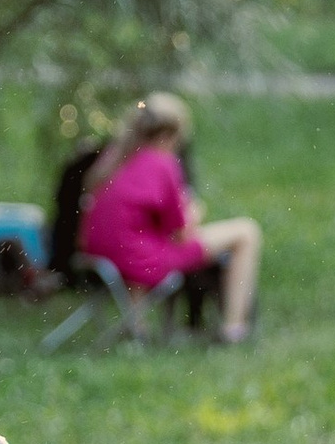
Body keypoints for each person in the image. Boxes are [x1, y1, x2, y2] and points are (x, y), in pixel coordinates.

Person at [76, 93, 261, 341]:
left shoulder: (114, 157)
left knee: (137, 237)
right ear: (169, 135)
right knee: (246, 233)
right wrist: (194, 212)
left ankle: (137, 327)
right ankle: (233, 328)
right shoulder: (161, 163)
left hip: (99, 254)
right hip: (136, 258)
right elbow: (182, 232)